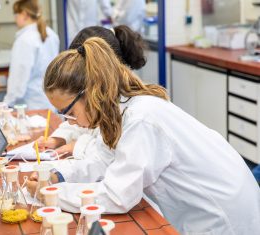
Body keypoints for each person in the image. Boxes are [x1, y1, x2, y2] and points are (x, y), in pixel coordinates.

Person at [42, 37, 260, 234]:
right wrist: (57, 176)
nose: (73, 122)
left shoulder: (140, 118)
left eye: (70, 113)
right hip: (214, 206)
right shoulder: (121, 110)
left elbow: (117, 196)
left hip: (225, 217)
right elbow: (103, 160)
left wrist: (52, 194)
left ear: (89, 93)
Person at [36, 25, 147, 157]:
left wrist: (78, 146)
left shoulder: (132, 113)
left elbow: (109, 156)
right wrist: (59, 139)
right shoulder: (102, 102)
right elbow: (82, 125)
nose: (71, 120)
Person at [3, 0, 59, 110]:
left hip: (32, 106)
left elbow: (18, 79)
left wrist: (7, 104)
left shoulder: (24, 40)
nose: (15, 19)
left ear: (24, 14)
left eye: (16, 15)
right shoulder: (52, 35)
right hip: (51, 102)